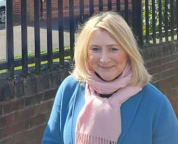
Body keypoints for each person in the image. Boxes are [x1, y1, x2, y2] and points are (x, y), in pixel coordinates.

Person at [41, 11, 178, 144]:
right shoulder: (70, 89)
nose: (104, 59)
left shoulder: (155, 103)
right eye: (95, 49)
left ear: (128, 51)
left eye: (113, 49)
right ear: (85, 52)